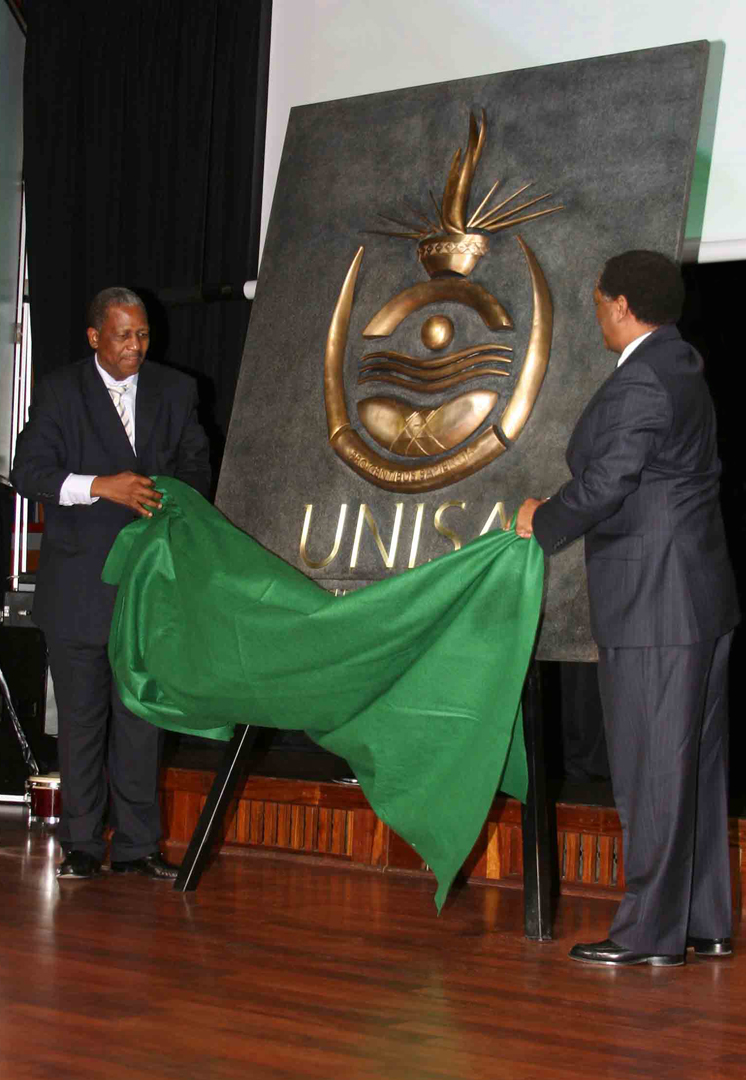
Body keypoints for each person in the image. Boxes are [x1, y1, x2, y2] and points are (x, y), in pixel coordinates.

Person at [516, 250, 739, 967]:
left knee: (652, 770)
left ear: (621, 305)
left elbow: (608, 480)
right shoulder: (681, 363)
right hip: (697, 599)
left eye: (597, 301)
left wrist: (543, 519)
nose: (596, 313)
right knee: (693, 769)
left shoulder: (645, 376)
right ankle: (702, 922)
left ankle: (649, 936)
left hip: (656, 605)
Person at [11, 287, 211, 880]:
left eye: (143, 334)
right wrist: (102, 486)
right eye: (123, 335)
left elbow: (198, 470)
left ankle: (137, 847)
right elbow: (28, 474)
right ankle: (80, 845)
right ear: (95, 336)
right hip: (78, 587)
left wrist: (171, 500)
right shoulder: (59, 391)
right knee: (80, 723)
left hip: (148, 586)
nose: (136, 346)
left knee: (141, 721)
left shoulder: (176, 390)